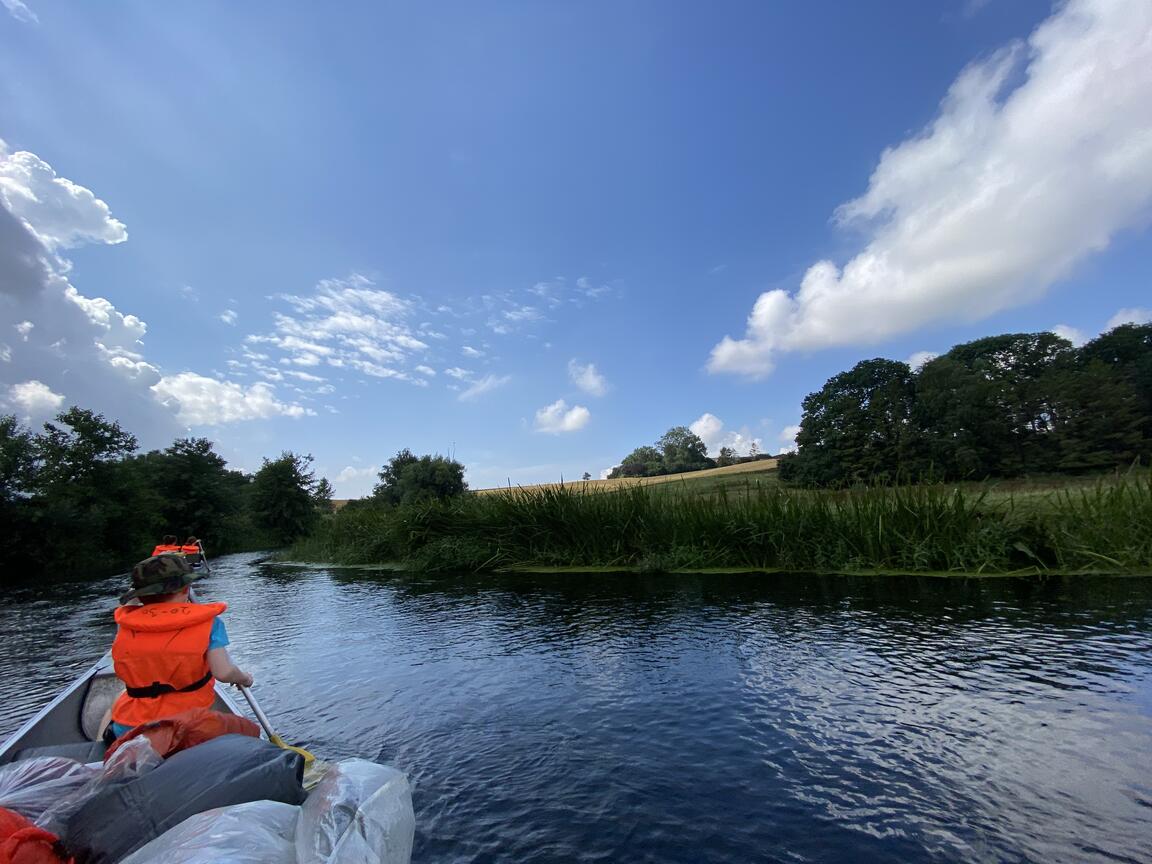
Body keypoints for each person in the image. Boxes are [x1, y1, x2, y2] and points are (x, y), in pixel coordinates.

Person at [106, 554, 254, 741]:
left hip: (131, 730)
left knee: (120, 698)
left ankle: (109, 749)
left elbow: (132, 604)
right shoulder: (209, 623)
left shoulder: (127, 624)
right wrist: (244, 678)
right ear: (186, 588)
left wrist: (140, 592)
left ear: (140, 596)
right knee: (245, 730)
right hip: (187, 728)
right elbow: (224, 673)